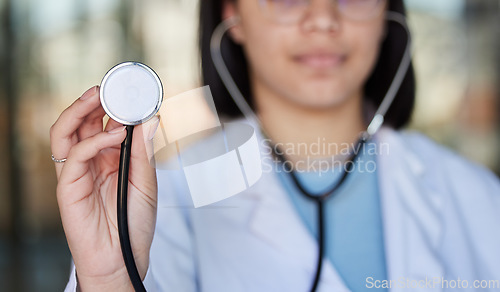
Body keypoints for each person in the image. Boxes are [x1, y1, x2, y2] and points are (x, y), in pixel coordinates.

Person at [50, 0, 500, 291]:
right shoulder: (168, 199)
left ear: (386, 14)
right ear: (233, 16)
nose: (323, 18)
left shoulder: (477, 196)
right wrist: (109, 280)